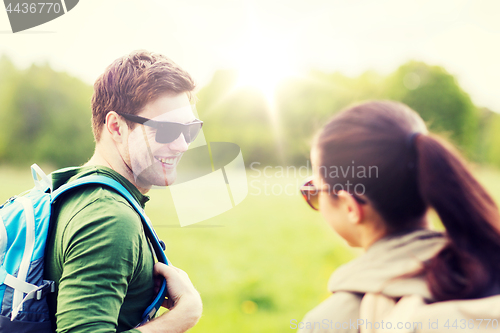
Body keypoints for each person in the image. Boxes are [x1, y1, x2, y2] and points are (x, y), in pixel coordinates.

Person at [297, 100, 500, 332]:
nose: (314, 199)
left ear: (350, 206)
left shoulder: (330, 322)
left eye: (314, 191)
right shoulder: (488, 269)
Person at [44, 50, 203, 333]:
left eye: (189, 130)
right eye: (166, 130)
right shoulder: (108, 217)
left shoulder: (71, 187)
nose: (182, 145)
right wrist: (184, 315)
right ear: (116, 126)